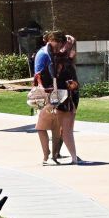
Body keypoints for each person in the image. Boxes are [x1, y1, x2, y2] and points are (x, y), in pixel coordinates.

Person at [34, 31, 80, 164]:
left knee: (50, 127)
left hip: (56, 96)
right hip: (62, 97)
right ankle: (57, 155)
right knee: (61, 129)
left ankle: (50, 155)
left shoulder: (57, 59)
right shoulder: (60, 59)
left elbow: (41, 75)